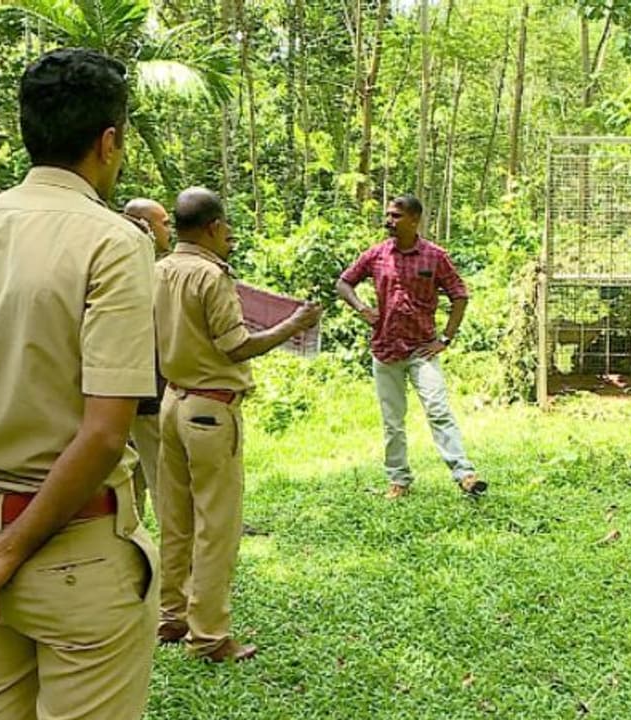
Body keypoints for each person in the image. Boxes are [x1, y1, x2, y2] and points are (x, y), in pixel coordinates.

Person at [0, 48, 159, 720]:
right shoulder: (113, 243)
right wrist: (10, 552)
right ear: (109, 143)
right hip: (74, 550)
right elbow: (104, 431)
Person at [154, 186, 321, 661]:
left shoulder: (158, 270)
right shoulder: (211, 276)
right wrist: (295, 323)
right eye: (226, 227)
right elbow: (236, 345)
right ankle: (208, 636)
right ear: (212, 227)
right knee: (216, 526)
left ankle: (171, 615)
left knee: (176, 517)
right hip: (210, 408)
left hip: (172, 401)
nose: (229, 236)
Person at [336, 195, 486, 500]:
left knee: (438, 409)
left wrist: (445, 338)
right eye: (388, 216)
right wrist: (362, 308)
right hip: (385, 349)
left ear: (415, 220)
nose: (388, 221)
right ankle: (399, 480)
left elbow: (460, 295)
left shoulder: (434, 256)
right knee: (392, 421)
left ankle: (465, 474)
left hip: (422, 350)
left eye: (396, 216)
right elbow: (344, 282)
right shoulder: (377, 255)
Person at [122, 198, 172, 520]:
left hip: (128, 396)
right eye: (163, 223)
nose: (169, 230)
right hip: (146, 397)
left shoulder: (144, 269)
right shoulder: (135, 273)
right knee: (161, 484)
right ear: (145, 227)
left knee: (134, 483)